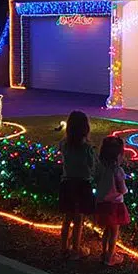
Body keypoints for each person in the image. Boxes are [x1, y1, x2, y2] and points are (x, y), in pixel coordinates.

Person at [58, 111, 96, 259]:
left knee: (67, 217)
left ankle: (63, 247)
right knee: (79, 218)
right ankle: (76, 249)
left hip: (67, 183)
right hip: (82, 184)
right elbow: (92, 165)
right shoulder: (87, 148)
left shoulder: (64, 145)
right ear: (85, 129)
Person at [95, 136, 130, 266]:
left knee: (106, 230)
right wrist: (126, 190)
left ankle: (104, 253)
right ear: (118, 156)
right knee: (114, 232)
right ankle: (110, 257)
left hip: (102, 204)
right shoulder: (118, 171)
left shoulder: (101, 168)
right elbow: (122, 189)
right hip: (115, 206)